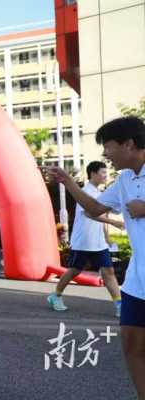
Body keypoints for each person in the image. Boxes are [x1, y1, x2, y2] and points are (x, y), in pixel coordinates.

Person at [48, 116, 145, 399]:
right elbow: (93, 206)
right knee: (131, 344)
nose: (105, 154)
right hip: (138, 282)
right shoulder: (126, 179)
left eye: (108, 146)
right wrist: (68, 182)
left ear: (129, 144)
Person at [47, 161, 125, 316]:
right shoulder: (85, 192)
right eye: (103, 172)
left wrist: (107, 237)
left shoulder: (100, 193)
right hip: (83, 240)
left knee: (108, 271)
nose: (105, 175)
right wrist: (114, 222)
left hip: (98, 243)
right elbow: (91, 213)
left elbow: (102, 216)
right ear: (93, 174)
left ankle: (119, 304)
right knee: (74, 271)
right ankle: (55, 296)